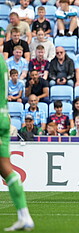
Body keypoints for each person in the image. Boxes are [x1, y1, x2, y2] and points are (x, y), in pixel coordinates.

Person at [0, 55, 34, 231]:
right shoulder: (2, 61)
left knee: (5, 168)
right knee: (4, 167)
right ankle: (24, 216)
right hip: (4, 116)